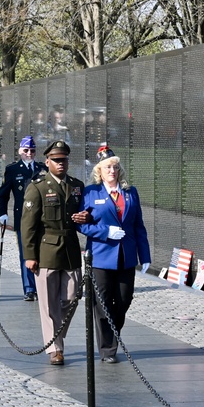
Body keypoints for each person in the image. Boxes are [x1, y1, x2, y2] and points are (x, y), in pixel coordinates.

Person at [20, 140, 91, 365]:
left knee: (71, 299)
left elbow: (86, 211)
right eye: (57, 160)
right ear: (47, 161)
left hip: (70, 248)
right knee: (49, 304)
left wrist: (87, 217)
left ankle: (57, 337)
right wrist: (29, 255)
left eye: (64, 160)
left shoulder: (77, 185)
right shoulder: (38, 186)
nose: (61, 164)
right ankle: (55, 349)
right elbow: (28, 224)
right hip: (46, 250)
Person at [79, 152, 151, 363]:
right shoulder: (90, 192)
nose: (112, 171)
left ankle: (112, 333)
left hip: (126, 257)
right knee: (101, 304)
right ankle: (108, 349)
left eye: (115, 167)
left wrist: (144, 255)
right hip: (101, 257)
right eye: (107, 168)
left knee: (124, 299)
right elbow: (81, 223)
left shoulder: (130, 193)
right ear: (99, 171)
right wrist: (105, 232)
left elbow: (139, 226)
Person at [0, 135, 45, 301]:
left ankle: (41, 285)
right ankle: (29, 288)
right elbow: (3, 195)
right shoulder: (13, 169)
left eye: (32, 150)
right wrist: (3, 213)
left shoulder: (42, 168)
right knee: (26, 253)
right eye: (26, 150)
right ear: (19, 151)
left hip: (42, 218)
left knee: (42, 252)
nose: (29, 153)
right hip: (22, 218)